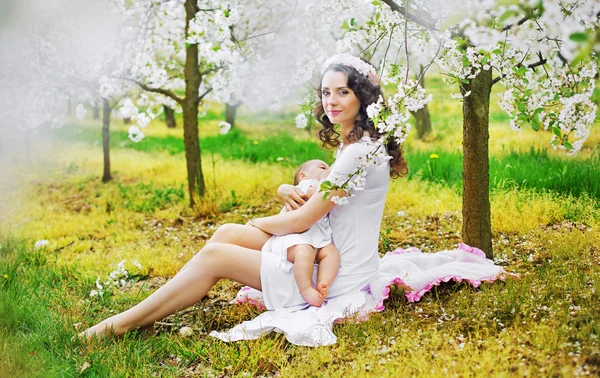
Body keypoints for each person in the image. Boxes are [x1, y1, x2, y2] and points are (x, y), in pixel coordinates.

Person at [80, 54, 406, 339]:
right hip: (323, 248)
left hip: (331, 275)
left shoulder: (358, 153)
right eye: (326, 92)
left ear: (362, 96)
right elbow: (322, 195)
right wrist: (285, 189)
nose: (331, 101)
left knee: (216, 256)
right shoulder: (356, 144)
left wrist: (257, 221)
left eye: (342, 92)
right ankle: (152, 314)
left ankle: (120, 325)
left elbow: (304, 218)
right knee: (227, 234)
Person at [261, 159, 339, 307]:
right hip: (296, 237)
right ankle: (306, 288)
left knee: (331, 252)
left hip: (318, 237)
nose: (326, 169)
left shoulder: (316, 186)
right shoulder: (305, 186)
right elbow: (317, 193)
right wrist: (332, 179)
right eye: (322, 167)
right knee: (304, 252)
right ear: (303, 175)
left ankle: (324, 281)